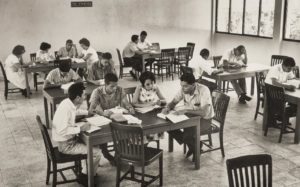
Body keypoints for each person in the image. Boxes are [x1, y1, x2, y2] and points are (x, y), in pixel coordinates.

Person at [52, 82, 101, 186]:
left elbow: (75, 111)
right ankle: (86, 178)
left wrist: (87, 112)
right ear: (78, 97)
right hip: (66, 145)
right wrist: (80, 128)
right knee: (96, 152)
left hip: (69, 141)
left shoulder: (68, 102)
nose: (85, 96)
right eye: (84, 95)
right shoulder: (66, 109)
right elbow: (61, 130)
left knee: (93, 145)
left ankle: (87, 172)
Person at [162, 73, 214, 161]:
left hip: (205, 120)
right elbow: (174, 101)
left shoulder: (204, 90)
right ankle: (196, 146)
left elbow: (204, 113)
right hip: (190, 117)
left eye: (185, 86)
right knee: (169, 126)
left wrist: (186, 110)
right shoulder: (183, 89)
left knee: (187, 135)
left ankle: (194, 147)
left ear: (193, 85)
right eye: (181, 86)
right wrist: (167, 107)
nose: (182, 88)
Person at [89, 73, 135, 164]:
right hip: (101, 119)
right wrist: (102, 112)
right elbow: (92, 108)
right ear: (105, 85)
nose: (114, 88)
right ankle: (106, 153)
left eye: (116, 85)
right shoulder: (97, 91)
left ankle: (118, 155)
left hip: (114, 117)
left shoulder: (119, 89)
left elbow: (125, 101)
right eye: (112, 86)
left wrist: (129, 107)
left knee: (125, 131)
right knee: (103, 134)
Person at [132, 71, 166, 142]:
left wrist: (160, 102)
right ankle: (143, 146)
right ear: (143, 84)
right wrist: (146, 105)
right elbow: (134, 103)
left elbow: (164, 100)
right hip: (142, 114)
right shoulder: (139, 88)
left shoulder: (155, 87)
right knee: (143, 128)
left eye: (152, 83)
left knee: (157, 124)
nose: (150, 85)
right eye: (148, 84)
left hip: (152, 112)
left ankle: (147, 146)